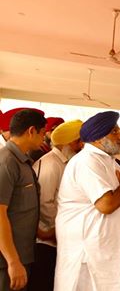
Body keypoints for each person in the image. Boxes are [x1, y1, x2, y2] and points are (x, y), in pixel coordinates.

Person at [54, 111, 120, 290]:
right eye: (114, 132)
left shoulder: (109, 160)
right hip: (89, 253)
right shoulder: (87, 161)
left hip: (107, 251)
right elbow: (106, 205)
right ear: (98, 138)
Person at [29, 120, 84, 291]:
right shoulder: (51, 164)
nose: (81, 146)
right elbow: (45, 203)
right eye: (77, 142)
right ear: (66, 144)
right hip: (46, 240)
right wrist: (56, 230)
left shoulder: (65, 162)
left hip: (59, 237)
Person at [0, 109, 46, 291]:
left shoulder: (22, 161)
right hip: (7, 262)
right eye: (43, 133)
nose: (44, 138)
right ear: (31, 131)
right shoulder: (7, 162)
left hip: (21, 256)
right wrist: (13, 261)